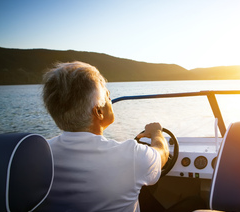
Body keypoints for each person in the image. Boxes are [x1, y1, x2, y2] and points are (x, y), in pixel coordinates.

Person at [38, 61, 169, 212]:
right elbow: (162, 154)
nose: (110, 100)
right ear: (98, 112)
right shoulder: (131, 155)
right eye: (107, 96)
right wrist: (156, 131)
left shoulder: (37, 155)